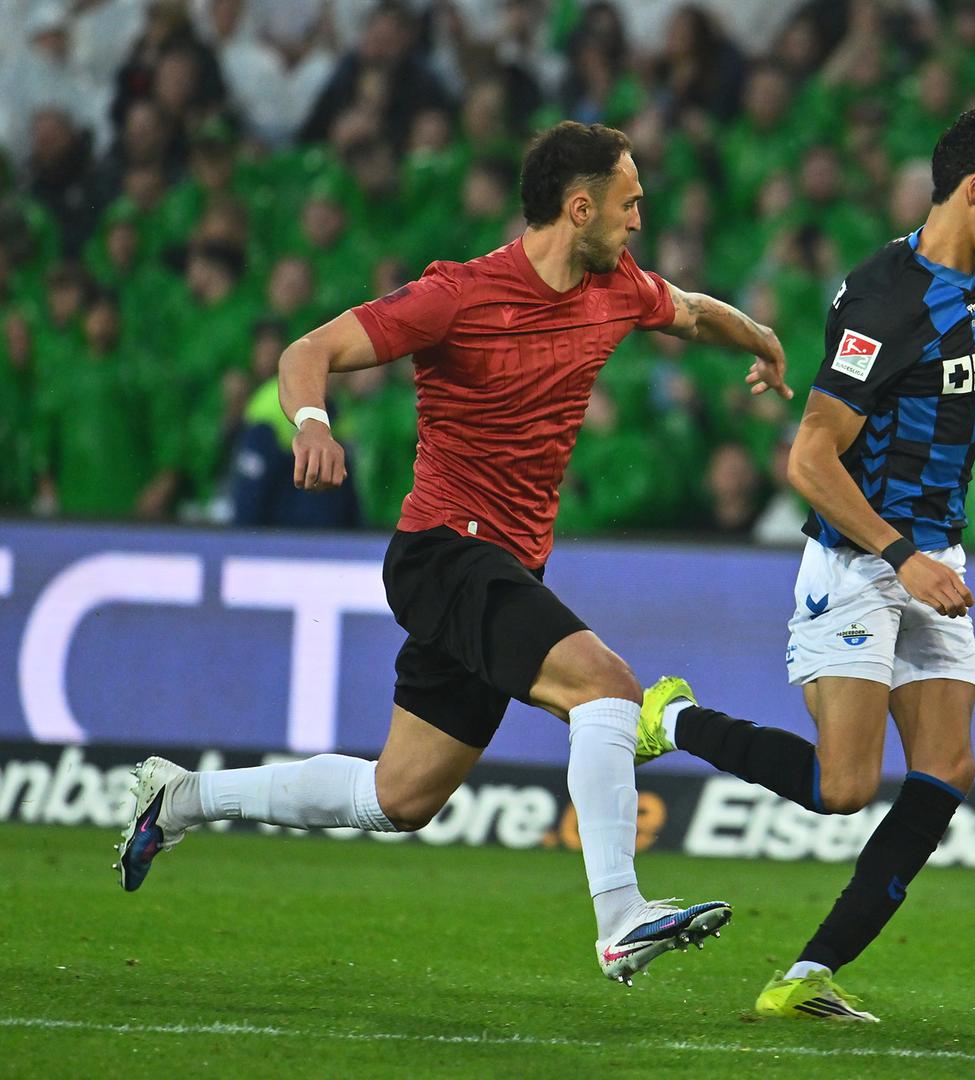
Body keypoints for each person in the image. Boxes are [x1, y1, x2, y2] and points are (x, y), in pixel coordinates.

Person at [115, 121, 794, 987]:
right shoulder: (459, 297)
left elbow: (694, 313)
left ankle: (179, 798)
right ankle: (622, 918)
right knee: (608, 687)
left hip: (506, 567)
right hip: (445, 550)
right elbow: (307, 351)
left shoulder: (616, 284)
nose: (638, 219)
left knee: (399, 797)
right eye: (628, 203)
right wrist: (311, 422)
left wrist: (762, 342)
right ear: (577, 207)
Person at [628, 105, 975, 1021]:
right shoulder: (887, 297)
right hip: (860, 556)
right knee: (844, 787)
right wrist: (903, 557)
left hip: (927, 555)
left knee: (947, 768)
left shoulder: (973, 281)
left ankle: (808, 975)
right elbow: (809, 456)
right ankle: (674, 718)